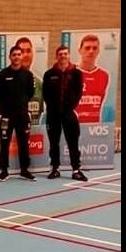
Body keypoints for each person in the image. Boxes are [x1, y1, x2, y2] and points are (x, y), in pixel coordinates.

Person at [42, 45, 88, 181]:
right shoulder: (49, 74)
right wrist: (53, 108)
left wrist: (69, 107)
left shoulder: (76, 73)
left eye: (65, 53)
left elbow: (78, 92)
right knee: (54, 142)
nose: (63, 56)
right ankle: (55, 168)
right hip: (53, 114)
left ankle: (76, 170)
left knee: (73, 142)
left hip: (69, 113)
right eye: (60, 54)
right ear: (57, 56)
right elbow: (45, 94)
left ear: (69, 55)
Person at [0, 45, 36, 181]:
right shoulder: (2, 75)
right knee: (4, 143)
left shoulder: (28, 75)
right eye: (14, 55)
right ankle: (4, 170)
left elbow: (31, 93)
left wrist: (21, 103)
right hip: (6, 115)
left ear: (21, 56)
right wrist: (6, 106)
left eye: (18, 54)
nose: (16, 57)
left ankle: (24, 170)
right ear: (10, 57)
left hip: (22, 115)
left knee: (23, 142)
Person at [76, 34, 110, 124]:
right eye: (87, 48)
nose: (91, 51)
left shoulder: (104, 75)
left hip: (94, 128)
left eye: (94, 48)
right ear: (80, 51)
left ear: (98, 51)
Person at [15, 37, 44, 125]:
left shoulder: (39, 84)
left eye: (28, 51)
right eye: (22, 51)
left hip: (35, 131)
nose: (26, 55)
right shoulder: (7, 80)